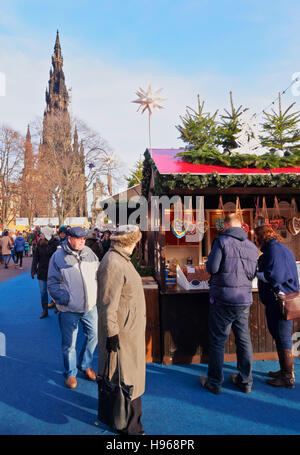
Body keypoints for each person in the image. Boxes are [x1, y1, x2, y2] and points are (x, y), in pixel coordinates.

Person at [200, 213, 258, 394]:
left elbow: (212, 268)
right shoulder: (251, 245)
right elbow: (253, 273)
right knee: (243, 339)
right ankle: (245, 381)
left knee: (218, 341)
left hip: (222, 298)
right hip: (243, 299)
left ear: (225, 225)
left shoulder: (221, 241)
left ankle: (215, 382)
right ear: (241, 226)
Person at [97, 225, 146, 435]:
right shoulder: (114, 263)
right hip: (122, 333)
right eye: (134, 242)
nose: (136, 246)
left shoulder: (119, 260)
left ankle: (125, 421)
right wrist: (112, 333)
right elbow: (107, 303)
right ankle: (130, 426)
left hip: (128, 329)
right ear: (128, 243)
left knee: (128, 376)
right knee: (126, 378)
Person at [47, 226, 99, 389]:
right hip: (69, 309)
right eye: (79, 238)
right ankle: (70, 373)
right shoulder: (57, 256)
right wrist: (65, 299)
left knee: (94, 335)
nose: (83, 241)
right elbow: (52, 283)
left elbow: (99, 274)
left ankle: (85, 364)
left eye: (84, 238)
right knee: (69, 344)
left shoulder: (90, 253)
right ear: (69, 239)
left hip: (90, 306)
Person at [255, 225, 299, 388]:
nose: (255, 241)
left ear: (261, 237)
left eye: (256, 237)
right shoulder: (281, 248)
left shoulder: (273, 250)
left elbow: (274, 276)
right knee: (282, 335)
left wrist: (254, 272)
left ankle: (288, 377)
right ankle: (284, 371)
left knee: (283, 336)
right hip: (283, 299)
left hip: (279, 301)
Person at [31, 230, 57, 319]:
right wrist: (33, 270)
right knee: (43, 292)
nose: (40, 235)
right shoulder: (39, 245)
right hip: (42, 272)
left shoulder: (54, 244)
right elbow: (35, 258)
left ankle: (57, 304)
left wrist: (50, 242)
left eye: (42, 234)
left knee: (53, 290)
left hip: (53, 272)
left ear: (47, 235)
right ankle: (45, 310)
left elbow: (53, 254)